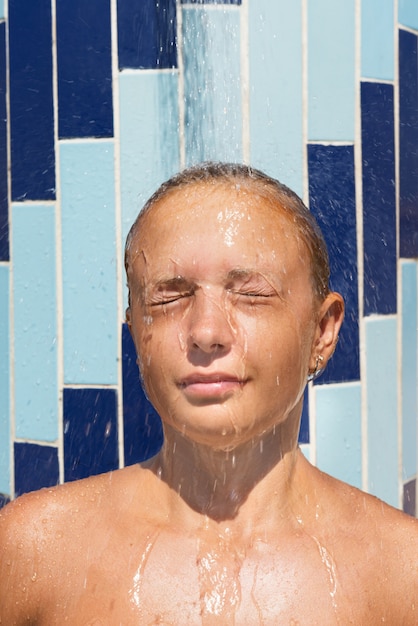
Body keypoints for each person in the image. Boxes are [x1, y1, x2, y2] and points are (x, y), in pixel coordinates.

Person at [0, 162, 417, 625]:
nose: (205, 331)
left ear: (322, 330)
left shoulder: (401, 572)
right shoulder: (34, 551)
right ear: (136, 330)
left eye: (252, 294)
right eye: (168, 298)